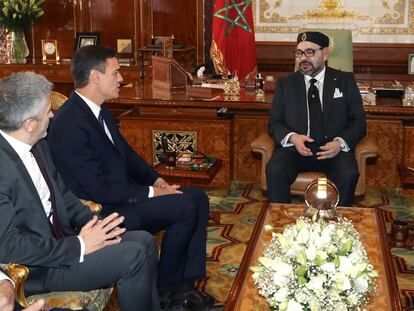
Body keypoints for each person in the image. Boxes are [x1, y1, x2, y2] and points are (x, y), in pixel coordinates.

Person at [48, 45, 214, 311]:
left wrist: (157, 180)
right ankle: (165, 290)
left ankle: (184, 286)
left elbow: (128, 156)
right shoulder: (69, 124)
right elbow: (98, 188)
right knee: (184, 205)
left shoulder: (98, 111)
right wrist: (151, 193)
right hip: (102, 211)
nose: (122, 79)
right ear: (95, 76)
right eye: (116, 72)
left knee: (197, 197)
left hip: (122, 196)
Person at [0, 72, 160, 311]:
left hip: (64, 239)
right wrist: (79, 246)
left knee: (144, 239)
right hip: (40, 267)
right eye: (47, 112)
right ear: (29, 124)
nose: (53, 115)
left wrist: (96, 223)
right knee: (134, 256)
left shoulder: (39, 144)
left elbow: (62, 194)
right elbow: (9, 246)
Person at [266, 31, 366, 206]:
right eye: (299, 53)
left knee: (349, 173)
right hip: (296, 150)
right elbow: (274, 123)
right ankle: (279, 221)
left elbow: (358, 122)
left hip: (333, 150)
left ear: (325, 53)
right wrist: (293, 138)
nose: (303, 58)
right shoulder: (285, 84)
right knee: (275, 169)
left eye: (310, 52)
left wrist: (339, 143)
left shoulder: (344, 80)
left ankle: (336, 224)